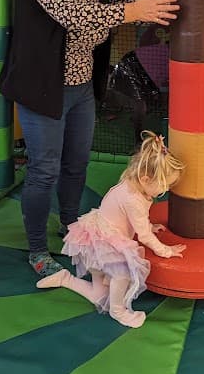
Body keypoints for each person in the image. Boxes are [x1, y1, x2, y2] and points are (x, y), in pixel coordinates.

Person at [0, 0, 179, 277]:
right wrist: (131, 12)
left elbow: (127, 2)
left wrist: (157, 9)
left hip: (80, 87)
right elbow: (72, 14)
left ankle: (70, 225)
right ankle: (37, 249)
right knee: (44, 170)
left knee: (77, 162)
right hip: (42, 88)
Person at [36, 131, 186, 328]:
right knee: (122, 275)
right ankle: (118, 311)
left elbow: (130, 218)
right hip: (105, 246)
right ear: (145, 179)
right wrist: (166, 251)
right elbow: (143, 236)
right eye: (164, 186)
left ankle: (65, 279)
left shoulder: (131, 183)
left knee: (99, 297)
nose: (164, 191)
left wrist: (150, 225)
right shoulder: (134, 200)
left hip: (95, 241)